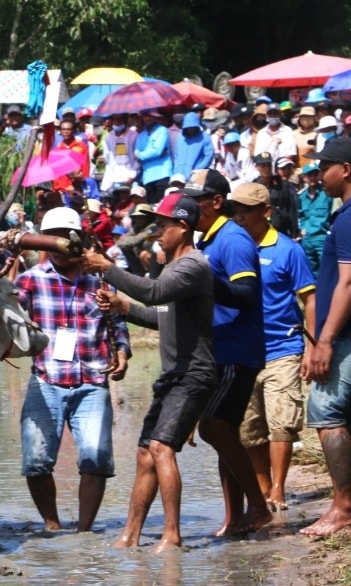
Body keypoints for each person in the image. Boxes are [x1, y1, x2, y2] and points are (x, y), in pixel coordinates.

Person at [81, 192, 216, 553]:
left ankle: (172, 534)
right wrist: (125, 308)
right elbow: (163, 316)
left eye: (162, 225)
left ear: (183, 226)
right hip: (173, 374)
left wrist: (106, 268)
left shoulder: (193, 266)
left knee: (160, 447)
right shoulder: (173, 268)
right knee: (145, 452)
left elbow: (154, 293)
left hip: (194, 374)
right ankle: (131, 534)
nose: (156, 232)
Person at [14, 207, 131, 532]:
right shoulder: (30, 280)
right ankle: (52, 526)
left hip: (92, 381)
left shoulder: (100, 278)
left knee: (95, 458)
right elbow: (6, 317)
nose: (61, 244)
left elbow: (118, 319)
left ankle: (83, 531)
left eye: (67, 237)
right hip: (46, 379)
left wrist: (122, 350)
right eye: (54, 238)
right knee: (36, 462)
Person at [301, 137, 351, 536]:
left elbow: (349, 284)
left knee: (326, 411)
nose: (320, 175)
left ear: (345, 169)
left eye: (324, 167)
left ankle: (343, 507)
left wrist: (325, 340)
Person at [183, 168, 272, 537]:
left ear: (216, 202)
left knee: (214, 428)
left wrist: (207, 282)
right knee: (225, 435)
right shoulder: (208, 242)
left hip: (237, 350)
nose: (188, 206)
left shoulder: (233, 240)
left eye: (195, 199)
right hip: (217, 351)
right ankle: (234, 517)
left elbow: (248, 295)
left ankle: (260, 506)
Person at [229, 182, 316, 512]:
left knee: (282, 422)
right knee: (249, 429)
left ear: (266, 212)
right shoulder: (231, 248)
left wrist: (315, 346)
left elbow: (309, 298)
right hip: (243, 352)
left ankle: (278, 488)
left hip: (283, 346)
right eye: (236, 209)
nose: (239, 216)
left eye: (247, 210)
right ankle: (263, 488)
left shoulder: (287, 250)